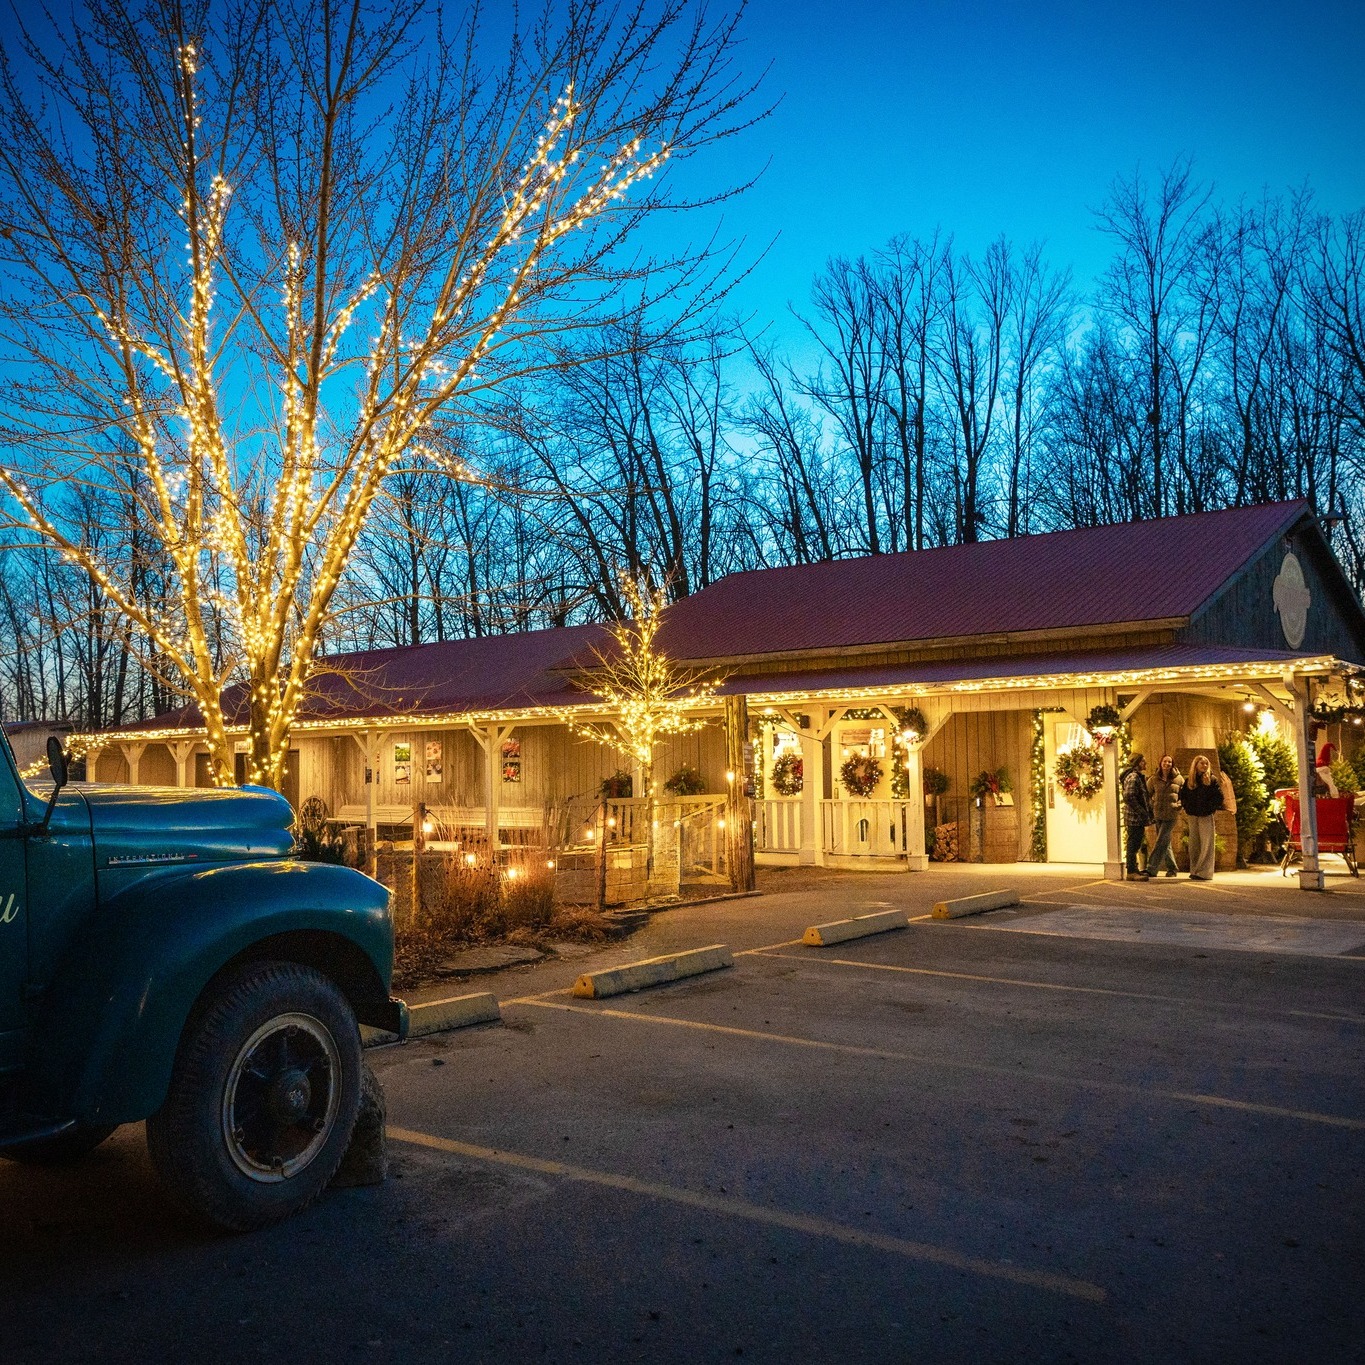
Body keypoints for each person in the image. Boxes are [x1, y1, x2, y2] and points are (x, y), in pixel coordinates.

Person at [1180, 754, 1225, 880]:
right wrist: (1187, 807)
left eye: (1206, 764)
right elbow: (1183, 796)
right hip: (1193, 815)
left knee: (1206, 844)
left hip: (1205, 815)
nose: (1204, 766)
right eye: (1202, 763)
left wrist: (1210, 808)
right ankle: (1194, 870)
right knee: (1194, 844)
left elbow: (1219, 797)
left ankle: (1204, 872)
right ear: (1196, 765)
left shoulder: (1212, 780)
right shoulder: (1189, 781)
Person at [1144, 754, 1184, 878]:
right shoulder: (1154, 779)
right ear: (1160, 763)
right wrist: (1152, 804)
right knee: (1165, 842)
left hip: (1171, 814)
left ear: (1173, 764)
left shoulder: (1179, 779)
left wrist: (1178, 804)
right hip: (1158, 813)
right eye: (1165, 762)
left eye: (1169, 762)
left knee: (1161, 840)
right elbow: (1147, 793)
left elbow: (1184, 795)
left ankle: (1151, 868)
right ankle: (1172, 869)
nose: (1167, 764)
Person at [1120, 752, 1153, 878]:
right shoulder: (1133, 777)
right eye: (1143, 761)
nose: (1145, 763)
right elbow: (1129, 796)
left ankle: (1134, 869)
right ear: (1137, 763)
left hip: (1136, 816)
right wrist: (1141, 810)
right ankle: (1131, 871)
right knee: (1133, 843)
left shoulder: (1137, 776)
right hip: (1134, 817)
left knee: (1136, 842)